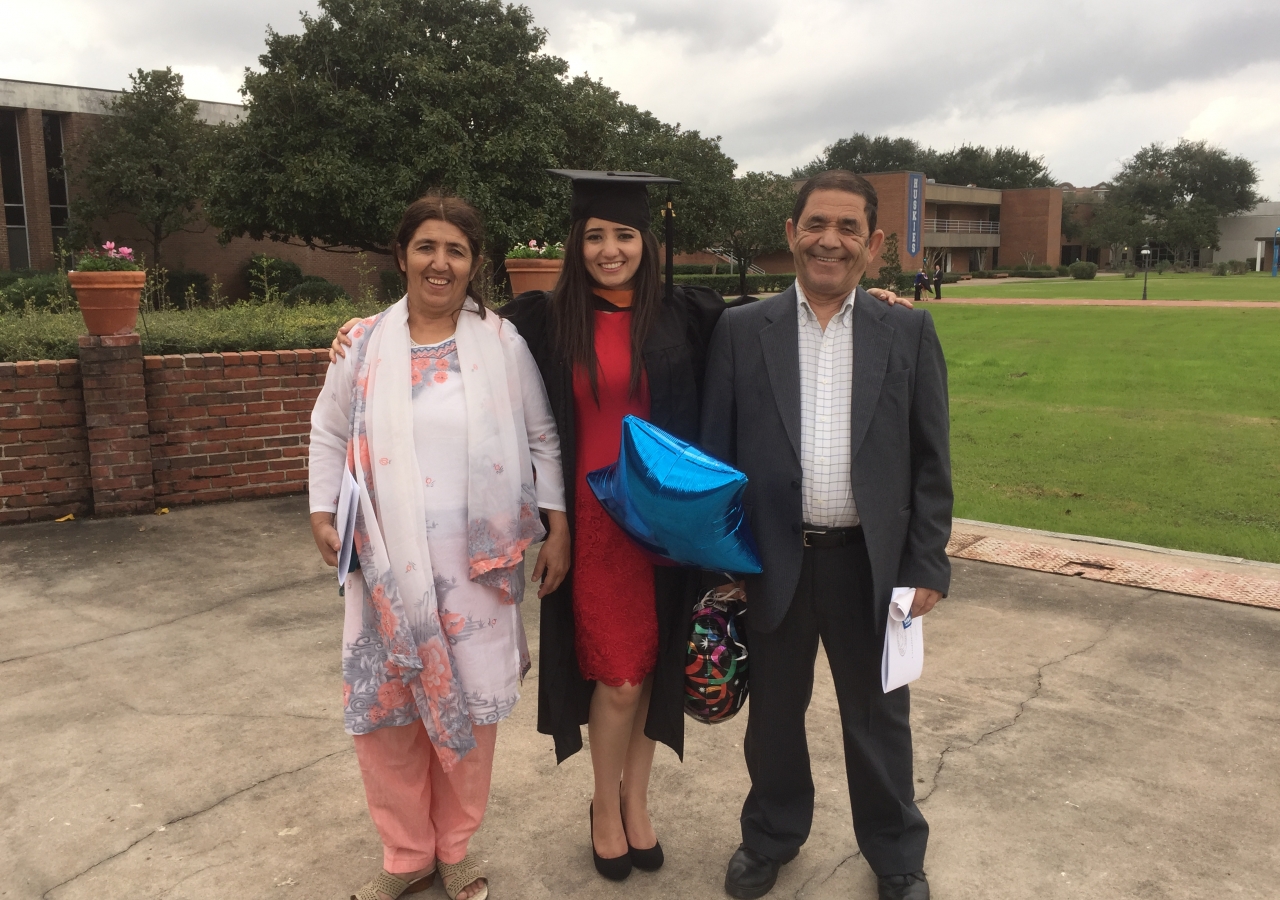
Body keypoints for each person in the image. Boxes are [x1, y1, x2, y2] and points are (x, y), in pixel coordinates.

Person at [327, 175, 911, 885]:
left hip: (672, 522)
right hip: (599, 526)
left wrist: (869, 300)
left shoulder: (689, 313)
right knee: (622, 677)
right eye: (596, 235)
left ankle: (638, 802)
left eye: (625, 235)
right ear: (577, 243)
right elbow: (446, 326)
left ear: (646, 243)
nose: (610, 250)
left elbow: (778, 321)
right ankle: (605, 805)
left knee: (657, 668)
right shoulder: (540, 321)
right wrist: (362, 332)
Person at [700, 169, 952, 900]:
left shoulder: (906, 328)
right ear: (791, 234)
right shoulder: (742, 330)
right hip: (773, 562)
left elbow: (931, 458)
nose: (829, 241)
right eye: (816, 224)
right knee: (773, 717)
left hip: (870, 567)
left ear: (873, 244)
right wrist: (724, 560)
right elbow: (716, 457)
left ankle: (897, 853)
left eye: (848, 228)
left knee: (878, 720)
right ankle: (772, 835)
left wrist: (927, 561)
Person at [308, 192, 569, 900]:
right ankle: (405, 856)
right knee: (390, 716)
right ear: (401, 255)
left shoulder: (502, 344)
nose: (440, 262)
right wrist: (322, 510)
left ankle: (453, 846)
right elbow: (330, 431)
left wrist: (559, 524)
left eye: (456, 249)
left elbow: (543, 436)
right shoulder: (361, 341)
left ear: (474, 263)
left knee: (472, 716)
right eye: (426, 246)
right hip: (385, 563)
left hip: (476, 571)